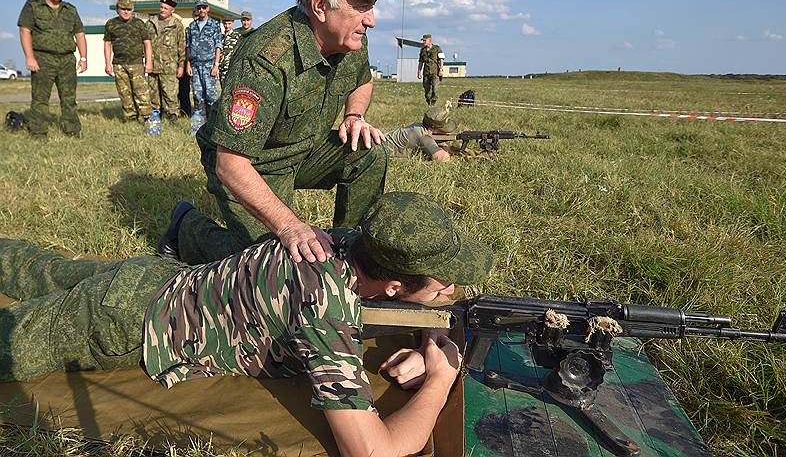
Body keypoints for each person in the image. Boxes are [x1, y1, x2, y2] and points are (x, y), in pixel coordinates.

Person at [0, 192, 492, 457]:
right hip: (122, 321)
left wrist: (428, 331)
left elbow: (388, 301)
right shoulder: (326, 312)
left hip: (156, 278)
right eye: (443, 285)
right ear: (391, 284)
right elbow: (372, 452)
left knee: (35, 265)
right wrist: (441, 379)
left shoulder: (339, 241)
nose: (450, 293)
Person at [177, 0, 394, 267]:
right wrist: (290, 226)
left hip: (303, 151)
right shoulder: (264, 59)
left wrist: (354, 115)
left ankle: (349, 253)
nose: (371, 21)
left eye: (372, 7)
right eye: (362, 7)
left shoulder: (351, 38)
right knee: (274, 266)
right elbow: (230, 164)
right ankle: (185, 228)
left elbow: (363, 79)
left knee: (369, 152)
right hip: (254, 165)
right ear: (320, 6)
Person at [17, 0, 87, 137]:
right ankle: (38, 132)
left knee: (69, 98)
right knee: (40, 98)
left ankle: (72, 130)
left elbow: (80, 33)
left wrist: (83, 58)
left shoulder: (70, 9)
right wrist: (30, 56)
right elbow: (25, 30)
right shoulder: (33, 6)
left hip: (67, 60)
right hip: (43, 59)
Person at [104, 0, 153, 122]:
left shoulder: (139, 24)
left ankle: (146, 117)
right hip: (119, 64)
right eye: (123, 9)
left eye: (129, 9)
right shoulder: (111, 24)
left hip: (137, 64)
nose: (126, 12)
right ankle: (130, 117)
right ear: (117, 10)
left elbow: (147, 43)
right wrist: (107, 64)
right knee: (124, 93)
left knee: (141, 92)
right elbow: (107, 44)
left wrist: (149, 62)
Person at [147, 0, 186, 122]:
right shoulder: (150, 23)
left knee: (170, 92)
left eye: (165, 8)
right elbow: (145, 43)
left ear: (172, 10)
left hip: (170, 65)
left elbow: (182, 46)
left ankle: (173, 114)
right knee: (153, 92)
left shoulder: (176, 25)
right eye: (161, 7)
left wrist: (181, 66)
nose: (162, 10)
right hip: (153, 65)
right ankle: (156, 114)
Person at [385, 103, 457, 161]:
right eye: (443, 129)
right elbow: (442, 158)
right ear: (433, 128)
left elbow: (442, 146)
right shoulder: (422, 136)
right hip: (381, 152)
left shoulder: (419, 126)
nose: (446, 132)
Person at [185, 0, 222, 115]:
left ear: (208, 9)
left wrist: (216, 65)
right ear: (196, 9)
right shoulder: (191, 26)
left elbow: (218, 46)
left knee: (211, 96)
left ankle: (211, 121)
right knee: (197, 94)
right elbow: (188, 46)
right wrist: (188, 64)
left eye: (204, 7)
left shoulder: (214, 25)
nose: (201, 10)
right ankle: (198, 122)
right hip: (195, 65)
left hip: (209, 64)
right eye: (199, 8)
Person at [417, 34, 444, 106]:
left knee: (435, 89)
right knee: (426, 90)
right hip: (426, 73)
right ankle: (428, 101)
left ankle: (433, 102)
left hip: (435, 72)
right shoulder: (423, 50)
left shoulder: (437, 48)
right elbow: (420, 62)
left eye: (425, 40)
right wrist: (419, 71)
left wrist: (441, 69)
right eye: (423, 40)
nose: (423, 42)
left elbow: (441, 59)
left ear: (430, 40)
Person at [218, 16, 238, 81]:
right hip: (221, 68)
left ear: (233, 23)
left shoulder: (237, 37)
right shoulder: (220, 37)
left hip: (230, 68)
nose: (227, 26)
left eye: (229, 24)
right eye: (225, 24)